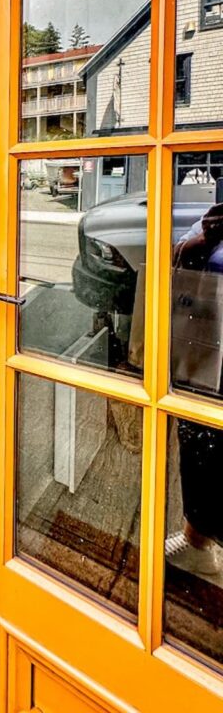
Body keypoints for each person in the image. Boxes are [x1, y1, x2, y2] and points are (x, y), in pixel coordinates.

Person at [166, 201, 223, 576]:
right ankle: (197, 539)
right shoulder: (212, 224)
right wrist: (203, 238)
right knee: (199, 439)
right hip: (207, 354)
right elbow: (180, 254)